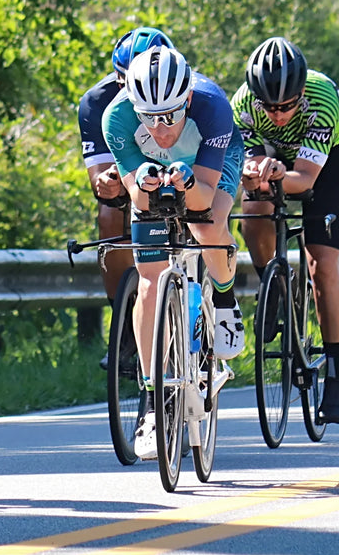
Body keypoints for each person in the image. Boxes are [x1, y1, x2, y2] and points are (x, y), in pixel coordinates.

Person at [104, 44, 245, 459]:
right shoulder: (117, 117)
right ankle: (152, 404)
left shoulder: (212, 106)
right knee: (149, 278)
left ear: (186, 99)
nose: (162, 128)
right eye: (150, 118)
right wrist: (144, 183)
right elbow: (138, 199)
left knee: (206, 223)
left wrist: (184, 184)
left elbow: (202, 197)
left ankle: (223, 299)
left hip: (204, 164)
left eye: (169, 117)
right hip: (152, 166)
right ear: (134, 105)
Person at [232, 36, 339, 421]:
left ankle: (335, 371)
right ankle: (277, 289)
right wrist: (253, 175)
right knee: (253, 213)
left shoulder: (321, 99)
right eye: (270, 106)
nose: (279, 114)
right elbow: (248, 173)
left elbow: (305, 178)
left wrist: (280, 173)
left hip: (324, 164)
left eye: (286, 106)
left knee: (321, 264)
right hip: (272, 154)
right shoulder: (243, 106)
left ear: (300, 94)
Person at [78, 28, 169, 367]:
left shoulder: (182, 89)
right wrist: (107, 181)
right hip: (131, 170)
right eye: (122, 82)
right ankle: (124, 325)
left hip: (176, 167)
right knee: (107, 214)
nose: (126, 93)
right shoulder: (96, 102)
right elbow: (99, 176)